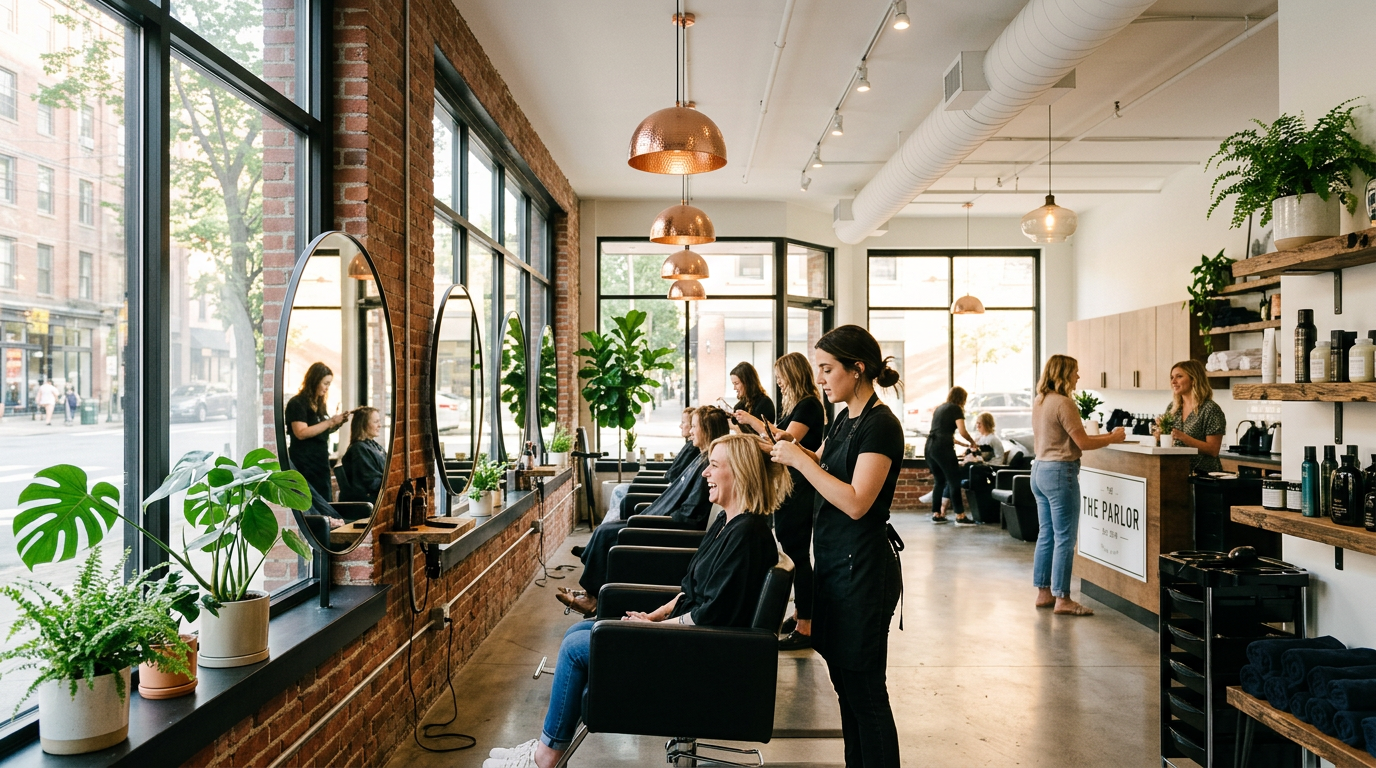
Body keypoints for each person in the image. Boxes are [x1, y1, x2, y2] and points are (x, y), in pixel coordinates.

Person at [485, 433, 790, 768]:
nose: (705, 473)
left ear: (741, 473)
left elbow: (710, 616)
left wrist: (655, 630)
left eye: (714, 466)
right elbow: (693, 591)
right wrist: (655, 616)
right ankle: (545, 750)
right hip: (693, 645)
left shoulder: (746, 537)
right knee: (580, 633)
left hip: (702, 657)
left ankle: (544, 758)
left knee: (575, 649)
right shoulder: (728, 525)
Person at [770, 324, 904, 768]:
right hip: (835, 565)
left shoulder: (881, 426)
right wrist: (790, 447)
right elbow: (824, 462)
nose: (821, 379)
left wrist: (799, 464)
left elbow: (855, 501)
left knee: (865, 692)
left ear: (857, 368)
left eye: (827, 369)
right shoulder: (846, 417)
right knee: (846, 688)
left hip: (864, 571)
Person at [556, 406, 731, 615]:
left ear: (708, 429)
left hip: (668, 531)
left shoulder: (706, 466)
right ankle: (592, 593)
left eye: (694, 426)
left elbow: (690, 515)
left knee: (605, 533)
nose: (690, 431)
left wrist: (652, 519)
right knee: (607, 530)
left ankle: (592, 598)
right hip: (657, 520)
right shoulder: (701, 458)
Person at [735, 351, 825, 651]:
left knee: (797, 552)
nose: (779, 384)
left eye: (781, 378)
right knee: (791, 547)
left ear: (793, 375)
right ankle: (802, 611)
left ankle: (807, 624)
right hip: (791, 484)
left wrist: (753, 423)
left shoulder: (809, 405)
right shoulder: (797, 405)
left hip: (801, 485)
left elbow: (788, 440)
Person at [1031, 354, 1127, 616]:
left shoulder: (1041, 401)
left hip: (1039, 470)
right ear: (1063, 374)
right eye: (1075, 372)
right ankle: (1063, 599)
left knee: (1046, 534)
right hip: (1060, 472)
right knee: (1065, 538)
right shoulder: (1064, 403)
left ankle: (1044, 592)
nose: (1078, 376)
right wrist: (1113, 437)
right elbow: (1083, 443)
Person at [604, 408, 698, 521]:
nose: (680, 426)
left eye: (683, 422)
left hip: (666, 493)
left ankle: (611, 525)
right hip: (667, 491)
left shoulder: (693, 450)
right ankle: (611, 525)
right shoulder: (690, 447)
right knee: (618, 490)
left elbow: (673, 476)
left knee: (618, 491)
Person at [285, 362, 351, 504]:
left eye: (329, 384)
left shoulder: (319, 404)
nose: (327, 388)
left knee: (325, 501)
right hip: (304, 463)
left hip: (320, 462)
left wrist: (337, 423)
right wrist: (330, 422)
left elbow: (320, 430)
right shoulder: (297, 403)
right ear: (315, 381)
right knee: (309, 503)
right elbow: (301, 432)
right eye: (325, 383)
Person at [1153, 359, 1225, 474]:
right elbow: (1169, 446)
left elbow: (1213, 450)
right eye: (1172, 377)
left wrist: (1183, 437)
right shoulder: (1173, 408)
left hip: (1203, 476)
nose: (1173, 382)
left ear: (1193, 379)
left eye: (1179, 376)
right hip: (1177, 473)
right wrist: (1159, 437)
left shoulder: (1210, 409)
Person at [927, 386, 977, 525]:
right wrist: (972, 442)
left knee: (939, 481)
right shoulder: (956, 409)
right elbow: (962, 430)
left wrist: (963, 445)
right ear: (962, 398)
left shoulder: (940, 409)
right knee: (954, 480)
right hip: (943, 448)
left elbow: (942, 432)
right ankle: (960, 516)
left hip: (930, 447)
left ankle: (936, 514)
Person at [339, 406, 386, 505]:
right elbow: (372, 482)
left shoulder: (375, 446)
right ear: (363, 424)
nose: (380, 425)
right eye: (375, 422)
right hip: (370, 502)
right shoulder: (359, 449)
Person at [729, 361, 775, 436]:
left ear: (747, 383)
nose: (734, 388)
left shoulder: (765, 404)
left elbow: (760, 435)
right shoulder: (739, 406)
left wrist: (734, 426)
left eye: (736, 383)